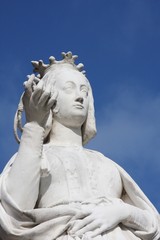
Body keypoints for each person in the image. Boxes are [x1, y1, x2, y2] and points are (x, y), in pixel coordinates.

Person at [0, 52, 159, 240]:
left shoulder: (107, 163)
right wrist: (34, 127)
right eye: (69, 88)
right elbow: (12, 214)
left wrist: (123, 212)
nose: (80, 97)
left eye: (84, 90)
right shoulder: (37, 155)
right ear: (49, 98)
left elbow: (154, 225)